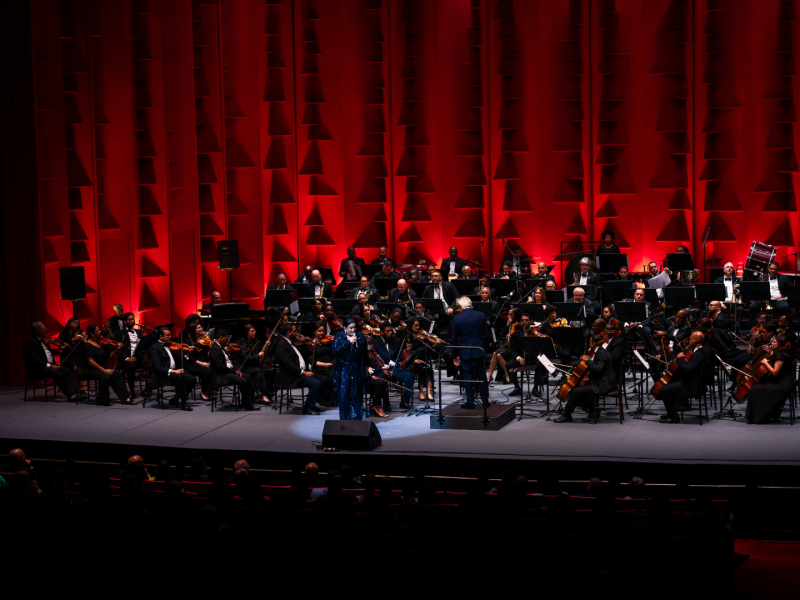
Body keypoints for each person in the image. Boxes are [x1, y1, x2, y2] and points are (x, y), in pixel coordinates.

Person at [553, 334, 616, 423]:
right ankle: (593, 412)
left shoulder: (601, 353)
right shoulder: (600, 351)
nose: (589, 345)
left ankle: (567, 415)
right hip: (601, 381)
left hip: (604, 384)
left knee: (575, 391)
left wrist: (588, 360)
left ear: (594, 343)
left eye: (590, 343)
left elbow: (598, 369)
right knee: (582, 389)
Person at [273, 323, 330, 415]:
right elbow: (289, 365)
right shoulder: (281, 345)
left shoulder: (290, 342)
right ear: (289, 332)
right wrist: (303, 372)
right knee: (316, 383)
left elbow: (303, 356)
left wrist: (311, 346)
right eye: (295, 331)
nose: (297, 333)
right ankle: (307, 408)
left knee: (324, 380)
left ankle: (311, 404)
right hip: (293, 376)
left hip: (299, 374)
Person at [654, 332, 707, 423]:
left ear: (696, 340)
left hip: (691, 385)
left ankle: (672, 417)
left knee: (663, 390)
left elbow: (687, 369)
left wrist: (680, 359)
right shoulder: (698, 352)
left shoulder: (699, 354)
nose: (689, 340)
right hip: (690, 381)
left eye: (690, 339)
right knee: (669, 385)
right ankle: (672, 414)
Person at [450, 297, 492, 409]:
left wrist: (454, 354)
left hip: (465, 350)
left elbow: (453, 339)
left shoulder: (457, 318)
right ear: (470, 304)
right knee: (482, 375)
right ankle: (485, 400)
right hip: (479, 349)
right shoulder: (481, 315)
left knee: (467, 377)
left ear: (461, 306)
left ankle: (470, 402)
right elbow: (487, 334)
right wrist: (486, 347)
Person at [23, 321, 81, 402]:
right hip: (39, 368)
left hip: (50, 365)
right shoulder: (32, 342)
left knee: (67, 371)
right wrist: (50, 366)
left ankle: (74, 394)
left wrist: (60, 349)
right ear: (37, 332)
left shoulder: (43, 340)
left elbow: (47, 353)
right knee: (57, 374)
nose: (46, 330)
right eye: (43, 329)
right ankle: (70, 395)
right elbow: (35, 360)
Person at [744, 335, 793, 424]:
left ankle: (760, 417)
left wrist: (766, 363)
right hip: (779, 380)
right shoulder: (780, 353)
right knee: (756, 387)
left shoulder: (780, 356)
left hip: (781, 383)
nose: (772, 343)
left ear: (780, 344)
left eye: (774, 342)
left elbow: (774, 372)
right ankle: (762, 416)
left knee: (755, 389)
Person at [149, 326, 198, 411]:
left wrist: (187, 354)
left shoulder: (171, 345)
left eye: (170, 335)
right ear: (161, 337)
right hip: (163, 375)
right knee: (179, 377)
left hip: (175, 373)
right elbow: (157, 367)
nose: (170, 337)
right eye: (167, 335)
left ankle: (175, 399)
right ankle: (184, 403)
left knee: (192, 379)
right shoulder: (154, 348)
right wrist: (174, 371)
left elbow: (179, 360)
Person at [208, 328, 259, 411]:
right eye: (226, 338)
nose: (227, 341)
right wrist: (234, 372)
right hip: (221, 376)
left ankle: (245, 402)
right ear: (221, 337)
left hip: (226, 373)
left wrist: (236, 370)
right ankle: (247, 405)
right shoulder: (215, 349)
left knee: (248, 377)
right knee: (244, 381)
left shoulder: (219, 347)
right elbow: (220, 367)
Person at [82, 324, 133, 406]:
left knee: (117, 374)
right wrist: (104, 370)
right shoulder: (88, 345)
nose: (100, 331)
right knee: (105, 376)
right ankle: (103, 400)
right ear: (91, 334)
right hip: (90, 368)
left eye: (99, 330)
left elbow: (106, 358)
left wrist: (116, 349)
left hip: (101, 366)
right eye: (97, 331)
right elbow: (91, 362)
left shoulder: (100, 343)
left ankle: (125, 398)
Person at [372, 321, 414, 409]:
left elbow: (402, 357)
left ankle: (404, 402)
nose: (390, 332)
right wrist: (383, 369)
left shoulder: (396, 340)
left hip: (395, 368)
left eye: (391, 330)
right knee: (381, 379)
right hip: (382, 369)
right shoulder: (375, 342)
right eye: (387, 331)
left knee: (409, 376)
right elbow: (373, 360)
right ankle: (386, 403)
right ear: (381, 332)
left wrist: (408, 352)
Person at [332, 318, 367, 420]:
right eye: (350, 328)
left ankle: (356, 419)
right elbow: (335, 350)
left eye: (354, 327)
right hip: (344, 369)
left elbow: (364, 353)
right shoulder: (339, 336)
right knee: (344, 394)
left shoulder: (360, 335)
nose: (353, 330)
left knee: (356, 394)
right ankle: (344, 419)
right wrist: (348, 342)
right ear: (344, 328)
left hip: (356, 368)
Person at [235, 323, 272, 405]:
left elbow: (261, 355)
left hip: (255, 364)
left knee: (270, 371)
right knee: (258, 371)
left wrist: (267, 348)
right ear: (246, 332)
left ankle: (269, 394)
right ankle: (263, 395)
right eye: (252, 331)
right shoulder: (240, 342)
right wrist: (257, 356)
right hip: (244, 366)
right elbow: (245, 358)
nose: (254, 332)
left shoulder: (257, 341)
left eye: (255, 331)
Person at [117, 312, 147, 399]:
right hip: (127, 359)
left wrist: (144, 339)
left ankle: (148, 388)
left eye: (133, 319)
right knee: (130, 367)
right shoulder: (120, 333)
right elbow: (117, 350)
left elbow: (143, 347)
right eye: (130, 320)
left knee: (152, 365)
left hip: (138, 358)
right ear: (125, 322)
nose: (132, 321)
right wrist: (127, 358)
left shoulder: (139, 332)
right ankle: (131, 390)